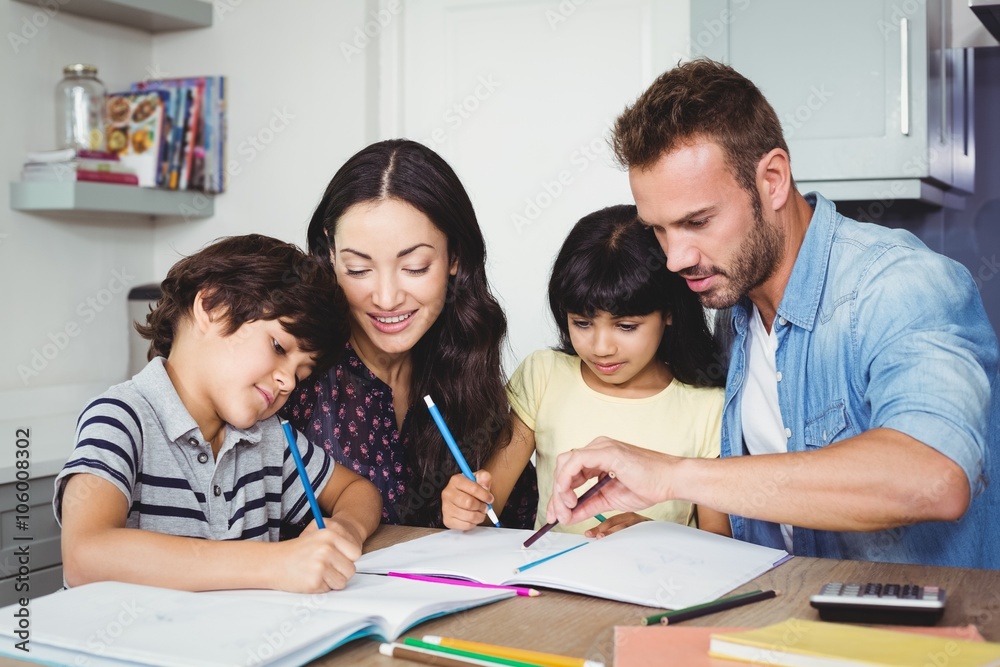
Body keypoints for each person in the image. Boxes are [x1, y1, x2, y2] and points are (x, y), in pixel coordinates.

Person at [546, 59, 1000, 568]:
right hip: (784, 624)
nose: (675, 258)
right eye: (659, 229)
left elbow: (932, 477)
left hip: (921, 641)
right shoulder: (731, 307)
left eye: (697, 221)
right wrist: (662, 535)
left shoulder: (898, 285)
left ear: (773, 180)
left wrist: (674, 474)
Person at [54, 235, 383, 593]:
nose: (287, 381)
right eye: (278, 347)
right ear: (212, 307)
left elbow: (357, 490)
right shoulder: (120, 419)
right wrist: (277, 563)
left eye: (301, 373)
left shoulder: (268, 436)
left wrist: (346, 527)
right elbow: (84, 556)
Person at [283, 139, 538, 528]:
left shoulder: (464, 360)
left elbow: (515, 530)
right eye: (358, 269)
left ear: (455, 257)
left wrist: (477, 509)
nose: (386, 299)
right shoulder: (291, 373)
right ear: (330, 254)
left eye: (415, 267)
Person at [442, 205, 730, 537]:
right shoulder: (544, 375)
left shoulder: (707, 406)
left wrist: (656, 536)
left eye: (625, 326)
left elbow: (719, 541)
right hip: (550, 585)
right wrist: (466, 505)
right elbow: (490, 505)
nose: (601, 347)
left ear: (669, 313)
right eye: (582, 323)